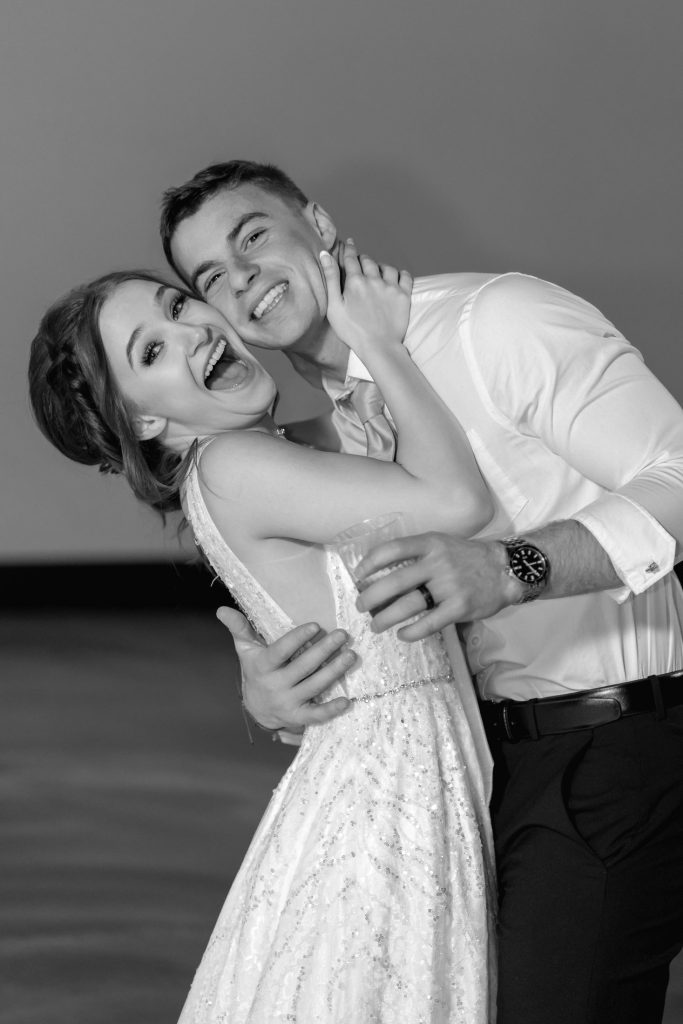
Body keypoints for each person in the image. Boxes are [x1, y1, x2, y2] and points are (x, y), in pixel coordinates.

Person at [159, 159, 683, 1024]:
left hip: (619, 741)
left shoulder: (493, 323)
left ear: (318, 226)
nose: (241, 277)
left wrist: (514, 568)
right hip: (476, 777)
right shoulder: (331, 428)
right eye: (211, 276)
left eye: (253, 236)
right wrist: (286, 692)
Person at [29, 246, 498, 1022]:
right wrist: (376, 340)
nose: (189, 332)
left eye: (177, 306)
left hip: (398, 765)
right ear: (144, 419)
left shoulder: (264, 454)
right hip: (388, 789)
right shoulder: (233, 465)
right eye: (150, 351)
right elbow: (453, 502)